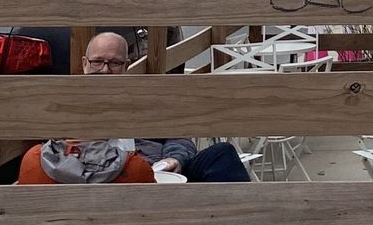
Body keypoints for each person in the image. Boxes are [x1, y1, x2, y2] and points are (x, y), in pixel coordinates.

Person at [88, 31, 253, 183]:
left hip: (159, 172)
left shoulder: (144, 99)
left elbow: (180, 136)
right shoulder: (67, 98)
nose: (105, 69)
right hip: (107, 177)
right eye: (97, 62)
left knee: (222, 154)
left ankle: (243, 213)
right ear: (84, 63)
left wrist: (174, 159)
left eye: (114, 63)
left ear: (126, 66)